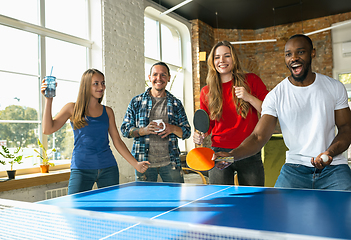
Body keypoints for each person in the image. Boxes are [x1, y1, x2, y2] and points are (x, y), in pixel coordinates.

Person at [214, 34, 351, 190]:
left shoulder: (334, 87)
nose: (294, 58)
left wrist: (330, 152)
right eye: (288, 54)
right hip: (294, 169)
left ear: (312, 53)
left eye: (300, 52)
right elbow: (258, 137)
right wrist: (232, 155)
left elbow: (346, 128)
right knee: (276, 212)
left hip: (334, 167)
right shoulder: (275, 96)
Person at [41, 69, 149, 194]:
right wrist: (48, 100)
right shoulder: (72, 108)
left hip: (108, 168)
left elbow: (117, 141)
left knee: (109, 211)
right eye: (96, 83)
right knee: (74, 209)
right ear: (86, 86)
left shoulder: (107, 111)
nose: (101, 87)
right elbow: (47, 129)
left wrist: (136, 164)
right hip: (81, 168)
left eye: (102, 83)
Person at [193, 40, 269, 186]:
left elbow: (268, 112)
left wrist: (249, 97)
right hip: (221, 153)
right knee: (220, 200)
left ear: (233, 58)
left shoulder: (251, 80)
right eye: (217, 57)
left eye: (226, 56)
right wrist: (200, 134)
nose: (222, 60)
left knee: (253, 200)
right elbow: (209, 124)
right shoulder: (206, 91)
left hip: (248, 151)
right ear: (212, 61)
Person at [121, 62, 191, 183]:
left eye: (163, 75)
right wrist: (144, 130)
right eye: (155, 75)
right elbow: (125, 130)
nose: (159, 78)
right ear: (149, 77)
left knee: (175, 200)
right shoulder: (136, 102)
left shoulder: (176, 103)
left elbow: (187, 132)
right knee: (146, 201)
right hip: (143, 163)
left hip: (171, 163)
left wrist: (172, 129)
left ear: (169, 78)